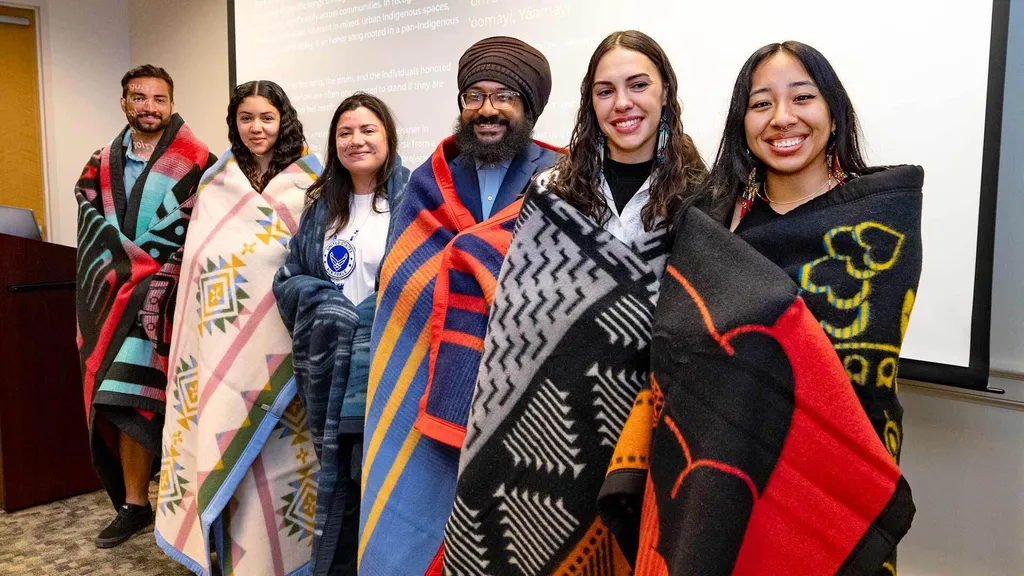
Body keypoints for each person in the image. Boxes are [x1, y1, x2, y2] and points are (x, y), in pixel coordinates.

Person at [620, 41, 922, 574]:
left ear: (832, 110)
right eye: (761, 104)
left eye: (801, 97)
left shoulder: (880, 219)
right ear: (743, 121)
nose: (782, 118)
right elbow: (676, 354)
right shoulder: (712, 225)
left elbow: (857, 367)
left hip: (831, 488)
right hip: (716, 483)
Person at [442, 30, 706, 575]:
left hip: (653, 428)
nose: (623, 104)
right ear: (590, 101)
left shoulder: (701, 197)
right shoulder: (551, 191)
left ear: (665, 94)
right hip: (543, 435)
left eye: (638, 86)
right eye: (605, 91)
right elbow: (515, 331)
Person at [359, 36, 561, 575]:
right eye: (474, 95)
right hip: (424, 388)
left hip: (524, 392)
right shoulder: (427, 183)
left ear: (529, 108)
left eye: (504, 96)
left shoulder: (562, 183)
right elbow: (402, 288)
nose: (488, 109)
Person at [155, 80, 322, 576]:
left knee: (285, 461)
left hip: (286, 347)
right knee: (232, 453)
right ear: (235, 123)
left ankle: (288, 562)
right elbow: (199, 266)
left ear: (283, 119)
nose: (256, 128)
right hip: (221, 344)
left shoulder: (312, 181)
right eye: (246, 118)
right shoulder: (215, 183)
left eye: (266, 118)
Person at [76, 64, 215, 549]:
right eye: (139, 98)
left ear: (171, 104)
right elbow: (90, 223)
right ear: (124, 103)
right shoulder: (99, 162)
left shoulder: (200, 161)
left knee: (171, 404)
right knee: (122, 398)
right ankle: (136, 504)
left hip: (168, 299)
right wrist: (125, 268)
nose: (149, 107)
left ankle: (188, 506)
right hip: (115, 301)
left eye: (159, 99)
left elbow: (201, 226)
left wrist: (150, 273)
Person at [272, 92, 409, 576]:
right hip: (330, 371)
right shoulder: (320, 205)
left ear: (388, 137)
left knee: (379, 485)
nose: (357, 141)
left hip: (389, 370)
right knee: (341, 488)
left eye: (368, 130)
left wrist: (369, 316)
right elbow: (290, 277)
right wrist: (328, 306)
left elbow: (421, 275)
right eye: (345, 132)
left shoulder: (412, 200)